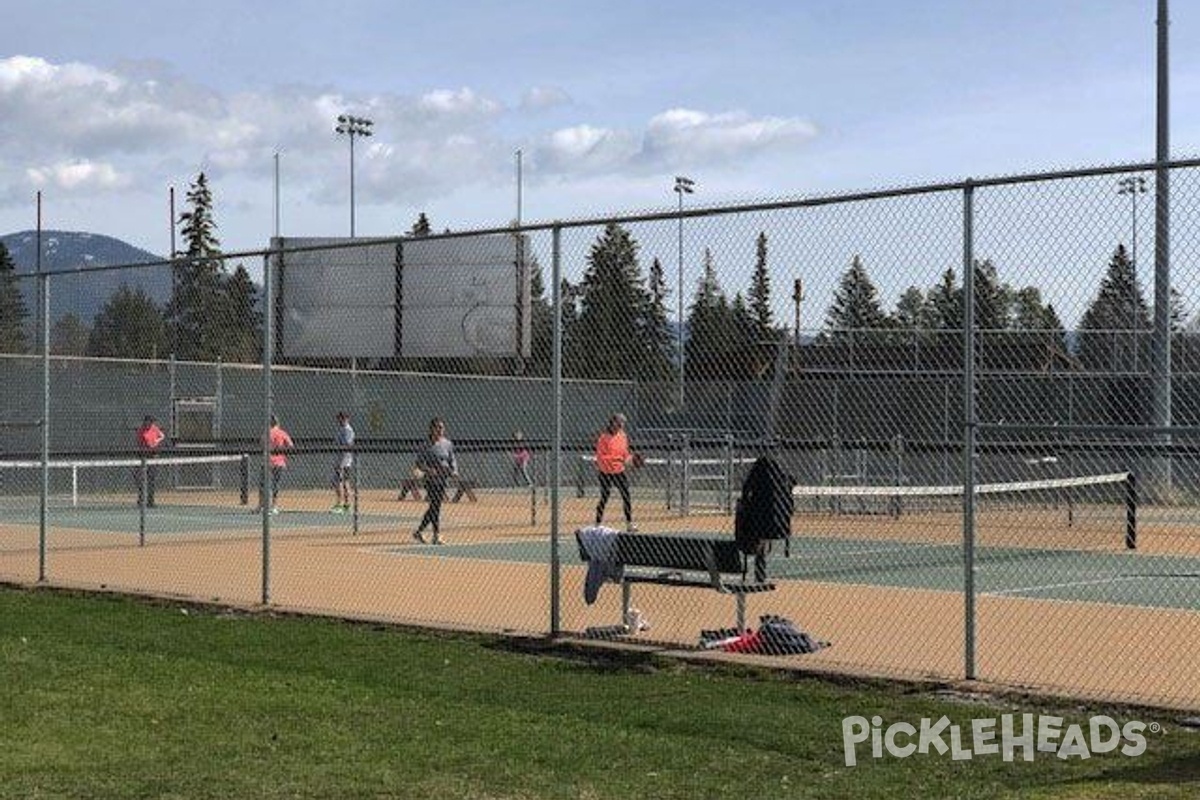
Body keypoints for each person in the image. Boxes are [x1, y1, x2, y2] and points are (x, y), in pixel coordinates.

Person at [412, 417, 457, 545]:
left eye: (442, 428)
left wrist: (454, 471)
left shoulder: (447, 444)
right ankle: (436, 535)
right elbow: (419, 463)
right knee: (436, 505)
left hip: (443, 478)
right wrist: (428, 470)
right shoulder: (425, 445)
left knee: (434, 506)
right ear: (432, 429)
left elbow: (452, 459)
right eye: (438, 428)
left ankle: (419, 531)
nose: (441, 430)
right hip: (431, 480)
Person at [594, 412, 636, 532]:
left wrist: (631, 460)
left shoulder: (623, 436)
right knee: (605, 497)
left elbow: (625, 454)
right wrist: (616, 459)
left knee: (626, 496)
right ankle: (597, 524)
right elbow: (601, 457)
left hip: (619, 471)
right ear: (612, 423)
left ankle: (629, 524)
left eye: (623, 423)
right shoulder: (603, 438)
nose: (621, 425)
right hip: (605, 472)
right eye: (619, 422)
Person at [259, 415, 293, 515]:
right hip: (279, 463)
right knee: (275, 485)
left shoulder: (267, 433)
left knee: (263, 484)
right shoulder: (282, 433)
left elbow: (261, 444)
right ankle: (274, 506)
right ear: (277, 423)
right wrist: (283, 453)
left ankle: (262, 506)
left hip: (267, 462)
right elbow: (290, 445)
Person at [135, 415, 165, 507]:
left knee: (151, 479)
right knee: (141, 479)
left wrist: (157, 440)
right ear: (145, 422)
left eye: (152, 422)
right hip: (144, 456)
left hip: (153, 456)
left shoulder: (154, 428)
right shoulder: (141, 431)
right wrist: (152, 443)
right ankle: (141, 500)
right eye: (149, 422)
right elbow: (146, 443)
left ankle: (150, 501)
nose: (151, 424)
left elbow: (162, 435)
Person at [331, 411, 355, 513]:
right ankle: (346, 505)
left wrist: (341, 463)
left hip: (344, 460)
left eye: (341, 418)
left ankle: (340, 505)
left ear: (346, 419)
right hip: (343, 459)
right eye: (339, 418)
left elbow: (347, 445)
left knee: (340, 482)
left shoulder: (347, 430)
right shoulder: (342, 429)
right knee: (344, 482)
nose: (339, 420)